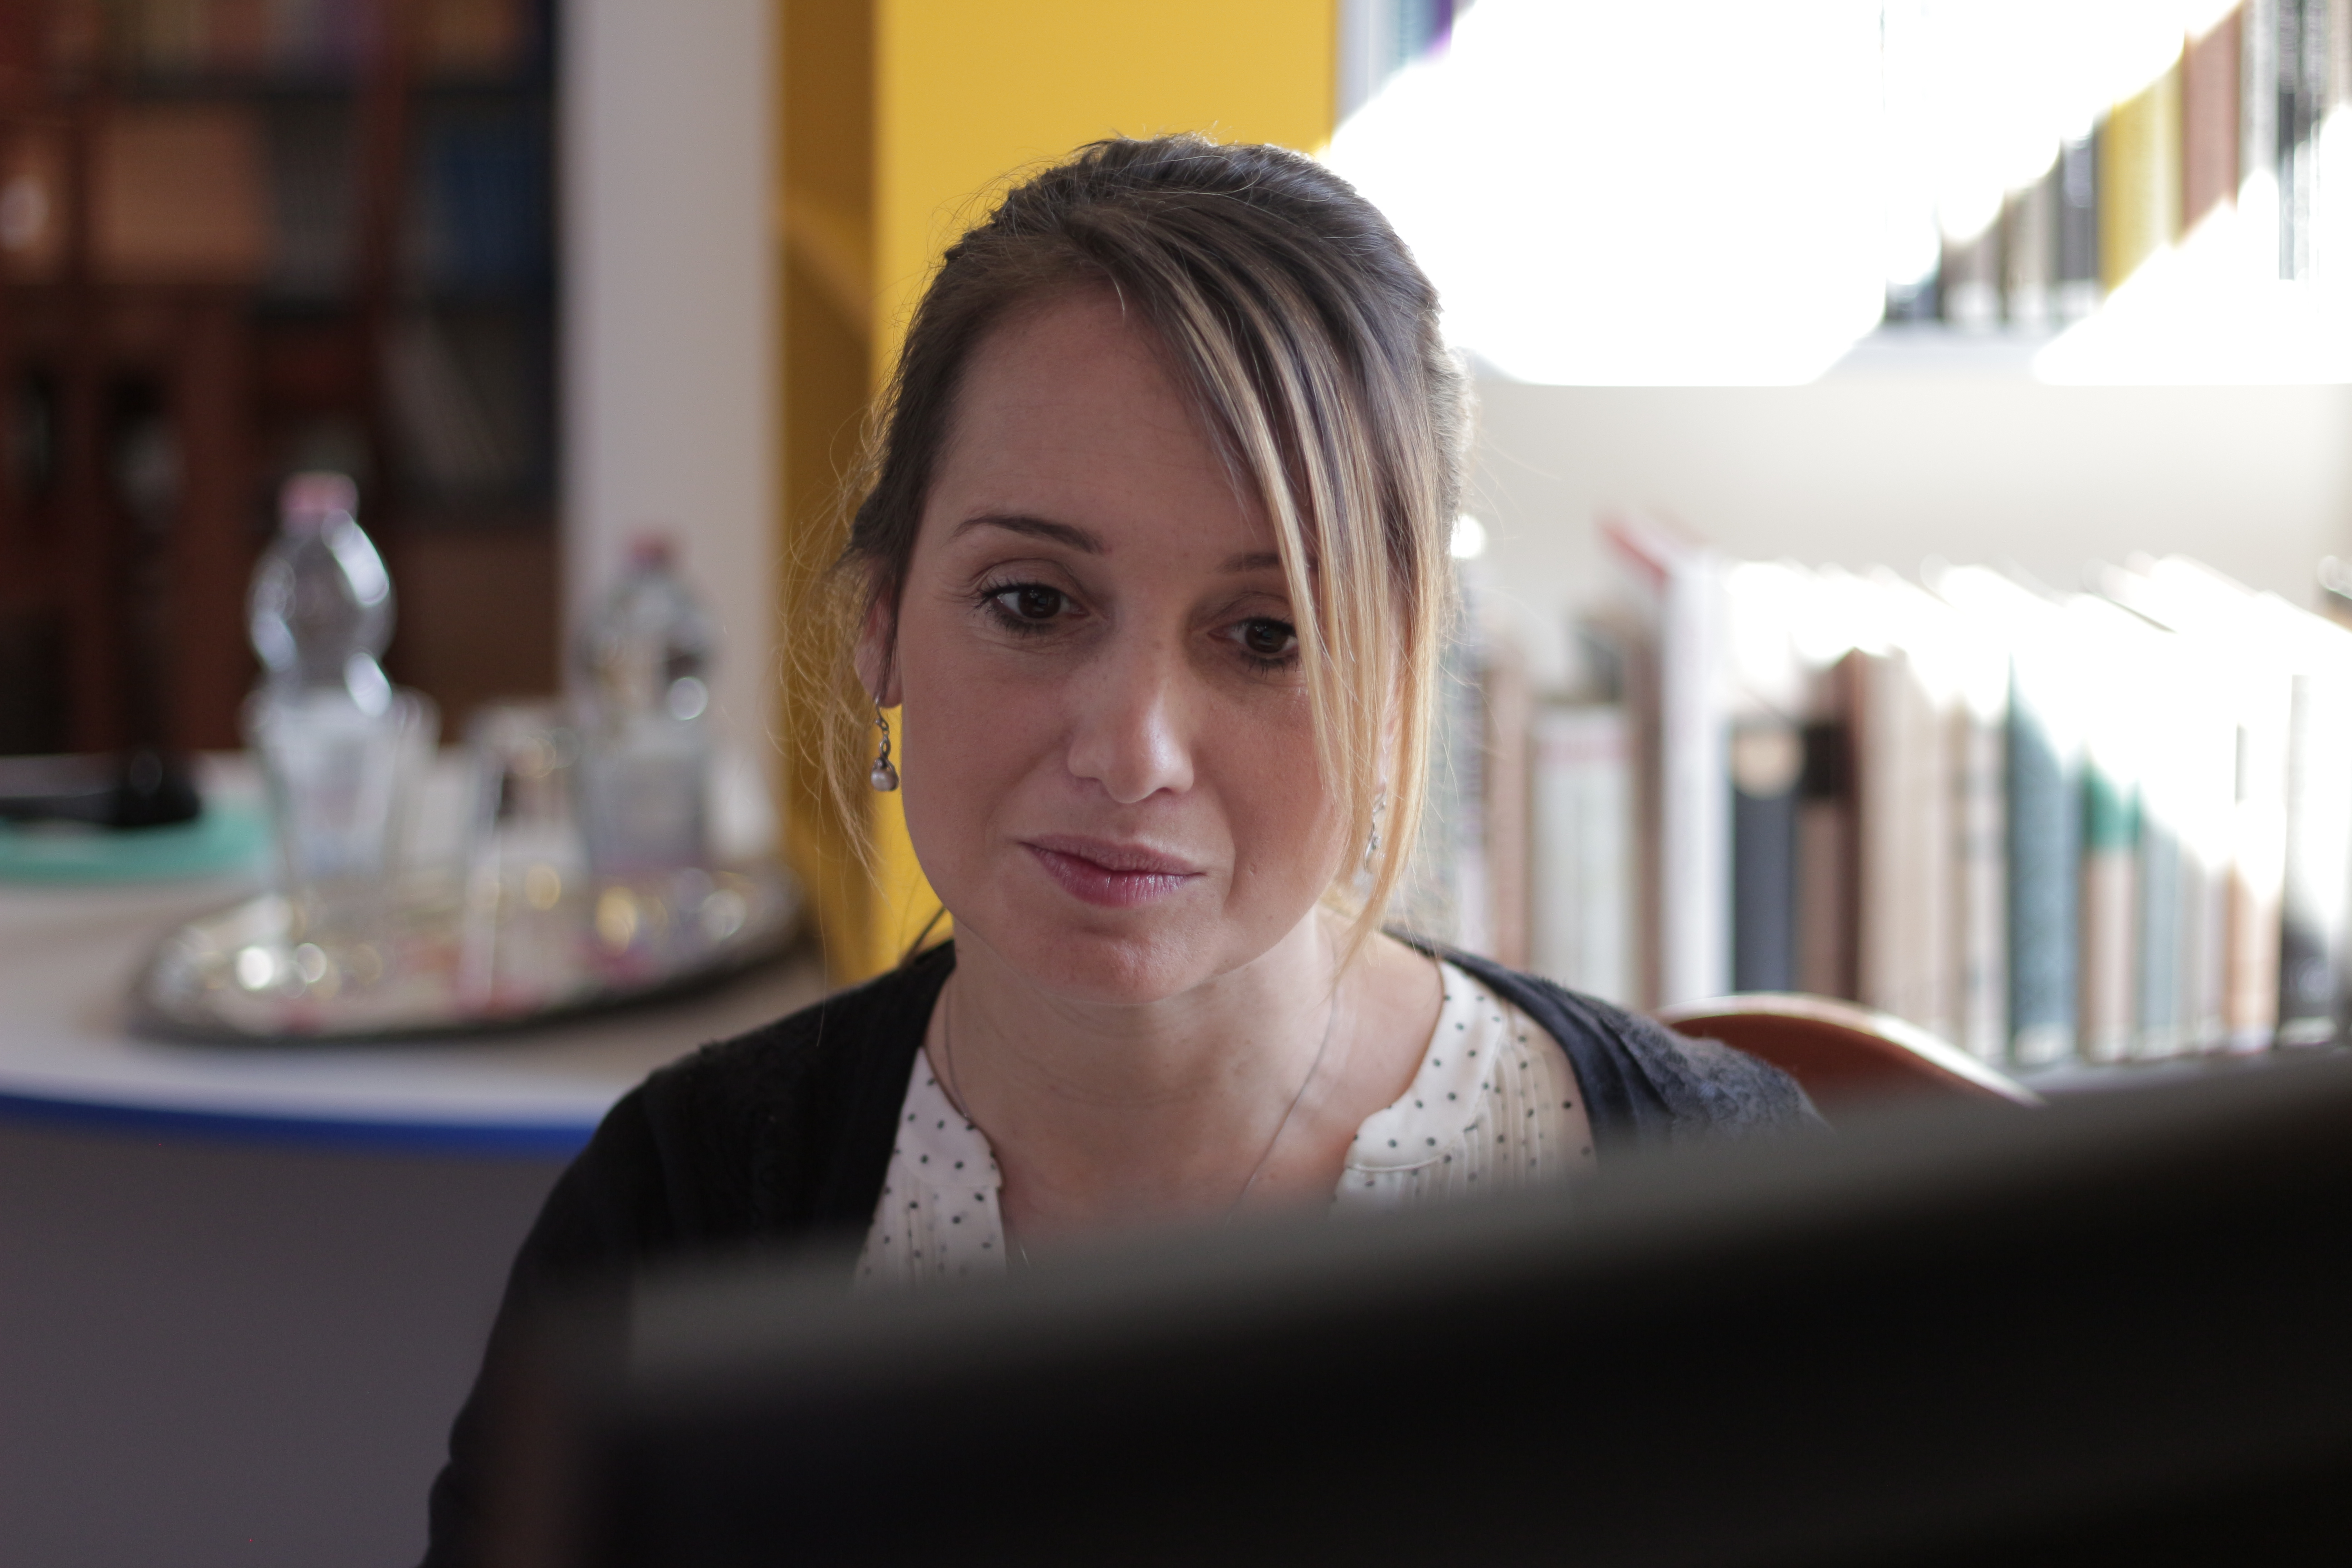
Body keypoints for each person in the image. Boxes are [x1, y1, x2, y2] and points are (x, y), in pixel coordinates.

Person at [420, 134, 1816, 1562]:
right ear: (882, 625)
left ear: (1402, 687)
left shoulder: (1709, 1207)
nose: (1134, 750)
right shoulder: (678, 1220)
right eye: (1033, 603)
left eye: (1267, 634)